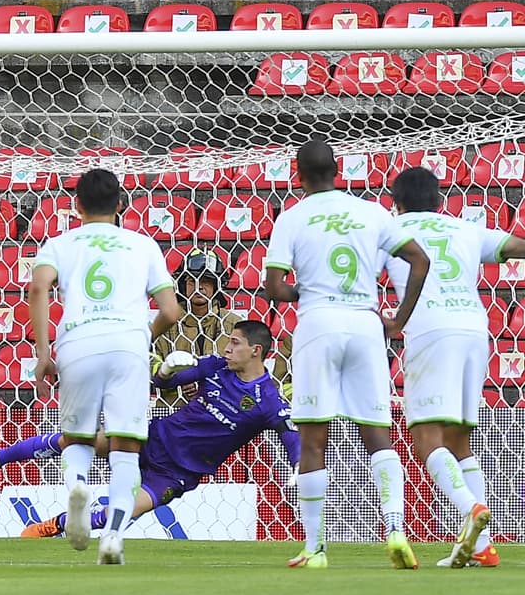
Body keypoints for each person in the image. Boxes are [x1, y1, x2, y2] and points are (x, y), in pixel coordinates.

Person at [0, 321, 299, 539]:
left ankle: (53, 526)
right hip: (151, 439)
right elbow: (163, 381)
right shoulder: (215, 367)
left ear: (256, 350)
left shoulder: (268, 400)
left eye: (235, 343)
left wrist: (299, 465)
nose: (227, 348)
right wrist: (166, 372)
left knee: (116, 515)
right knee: (76, 439)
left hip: (178, 472)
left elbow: (289, 433)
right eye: (228, 341)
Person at [264, 139, 430, 570]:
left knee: (314, 438)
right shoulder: (372, 211)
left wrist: (305, 289)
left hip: (318, 323)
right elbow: (419, 259)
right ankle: (396, 528)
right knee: (377, 435)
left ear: (298, 175)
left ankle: (315, 548)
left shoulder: (292, 217)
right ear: (338, 170)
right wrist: (398, 321)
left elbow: (274, 288)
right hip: (365, 324)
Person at [30, 168, 184, 564]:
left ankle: (78, 485)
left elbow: (38, 288)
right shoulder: (143, 244)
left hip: (78, 341)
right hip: (129, 344)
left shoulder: (59, 244)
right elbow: (171, 310)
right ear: (120, 204)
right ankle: (113, 536)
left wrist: (44, 353)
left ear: (76, 204)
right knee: (126, 450)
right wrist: (144, 334)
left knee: (77, 438)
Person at [385, 167, 525, 568]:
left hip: (431, 331)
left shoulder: (392, 230)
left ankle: (471, 507)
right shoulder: (466, 229)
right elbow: (517, 246)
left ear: (397, 202)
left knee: (426, 436)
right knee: (459, 440)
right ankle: (481, 548)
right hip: (475, 332)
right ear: (439, 199)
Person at [153, 250, 239, 407]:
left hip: (222, 414)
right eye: (192, 281)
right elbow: (150, 363)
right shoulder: (167, 322)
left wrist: (207, 383)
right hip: (174, 413)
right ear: (183, 285)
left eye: (206, 280)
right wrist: (177, 378)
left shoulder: (234, 325)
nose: (199, 286)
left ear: (217, 285)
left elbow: (246, 371)